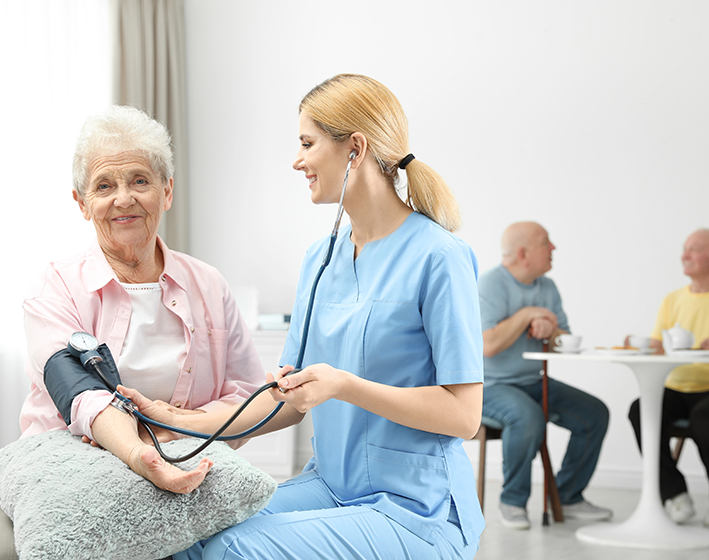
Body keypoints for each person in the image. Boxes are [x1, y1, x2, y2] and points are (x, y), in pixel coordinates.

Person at [121, 74, 485, 559]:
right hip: (331, 484)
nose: (298, 161)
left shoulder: (439, 256)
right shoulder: (321, 259)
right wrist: (186, 420)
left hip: (418, 508)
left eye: (308, 143)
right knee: (186, 537)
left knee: (234, 551)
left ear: (354, 148)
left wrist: (345, 385)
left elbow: (464, 416)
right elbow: (288, 399)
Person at [18, 105, 268, 494]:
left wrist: (184, 428)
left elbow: (249, 397)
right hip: (74, 475)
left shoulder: (209, 284)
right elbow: (80, 394)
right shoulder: (54, 286)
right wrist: (143, 451)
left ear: (166, 191)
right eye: (104, 186)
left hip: (189, 459)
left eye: (139, 181)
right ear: (81, 202)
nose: (123, 199)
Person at [479, 221, 611, 530]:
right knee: (527, 417)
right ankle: (512, 500)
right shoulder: (490, 285)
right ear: (523, 254)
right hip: (489, 386)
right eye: (546, 243)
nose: (553, 248)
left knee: (594, 414)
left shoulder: (547, 287)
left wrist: (551, 330)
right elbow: (489, 345)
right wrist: (527, 315)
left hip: (532, 381)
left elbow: (564, 338)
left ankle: (567, 495)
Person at [627, 228, 709, 527]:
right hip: (678, 386)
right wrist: (641, 344)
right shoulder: (672, 300)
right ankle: (675, 494)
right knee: (640, 410)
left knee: (705, 418)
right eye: (684, 249)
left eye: (694, 249)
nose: (684, 255)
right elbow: (659, 346)